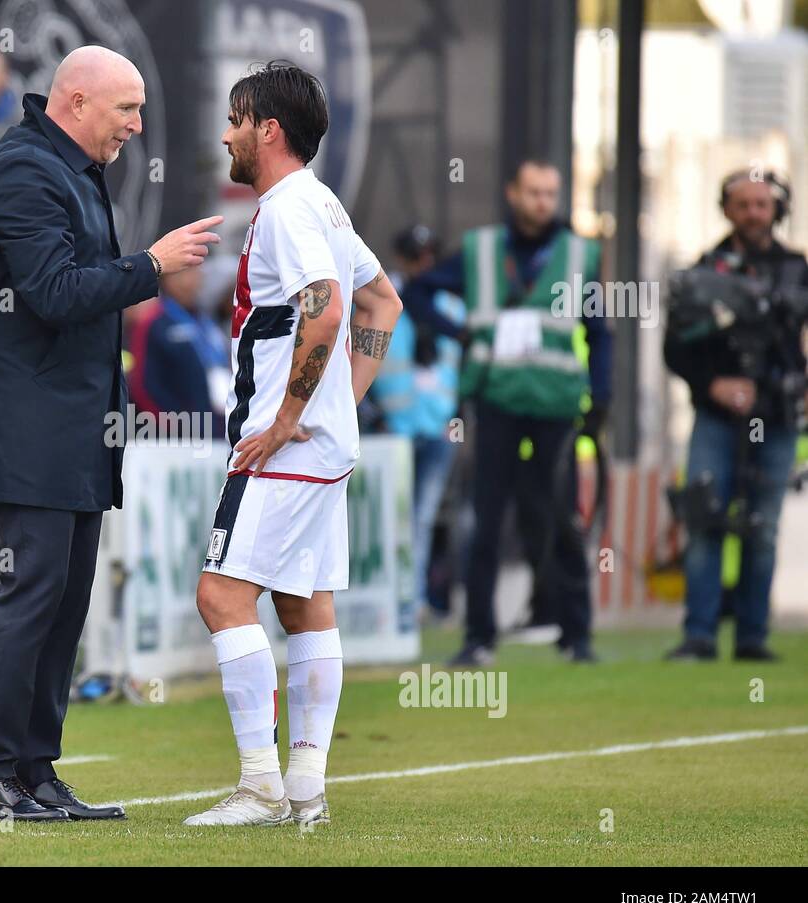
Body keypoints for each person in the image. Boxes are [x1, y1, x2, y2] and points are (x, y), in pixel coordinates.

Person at [0, 45, 224, 822]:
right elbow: (54, 292)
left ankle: (36, 771)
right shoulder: (22, 172)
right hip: (29, 428)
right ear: (76, 103)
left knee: (65, 601)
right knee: (33, 592)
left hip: (74, 428)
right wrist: (151, 265)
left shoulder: (71, 171)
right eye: (126, 109)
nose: (136, 125)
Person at [188, 61, 402, 827]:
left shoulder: (287, 208)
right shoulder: (323, 203)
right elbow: (383, 300)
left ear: (268, 130)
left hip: (284, 446)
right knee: (304, 604)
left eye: (236, 120)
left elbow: (328, 306)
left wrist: (287, 417)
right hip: (321, 445)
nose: (227, 136)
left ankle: (261, 786)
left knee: (220, 596)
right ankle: (306, 785)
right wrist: (343, 400)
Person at [404, 158, 612, 665]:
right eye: (534, 192)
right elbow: (417, 290)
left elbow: (599, 332)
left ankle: (577, 635)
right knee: (486, 519)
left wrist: (601, 398)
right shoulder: (481, 251)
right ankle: (478, 637)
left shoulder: (579, 254)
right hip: (495, 401)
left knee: (560, 515)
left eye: (551, 194)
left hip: (555, 405)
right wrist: (459, 333)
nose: (543, 203)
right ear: (512, 193)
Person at [663, 171, 807, 661]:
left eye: (761, 204)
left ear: (777, 210)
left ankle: (752, 637)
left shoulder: (796, 269)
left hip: (777, 415)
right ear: (726, 210)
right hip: (717, 416)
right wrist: (713, 384)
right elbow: (675, 348)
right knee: (704, 514)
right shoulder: (703, 272)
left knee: (762, 526)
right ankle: (699, 634)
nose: (752, 214)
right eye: (742, 204)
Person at [375, 224, 464, 616]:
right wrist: (374, 414)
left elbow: (458, 367)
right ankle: (386, 602)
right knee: (389, 517)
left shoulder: (451, 306)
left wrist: (455, 419)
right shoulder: (382, 300)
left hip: (437, 426)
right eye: (415, 256)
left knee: (423, 518)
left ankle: (410, 604)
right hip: (394, 427)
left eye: (429, 256)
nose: (423, 263)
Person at [127, 266, 231, 439]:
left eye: (194, 273)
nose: (189, 281)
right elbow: (142, 385)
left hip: (215, 431)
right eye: (181, 274)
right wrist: (177, 426)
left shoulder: (206, 320)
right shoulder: (152, 322)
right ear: (166, 279)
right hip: (174, 438)